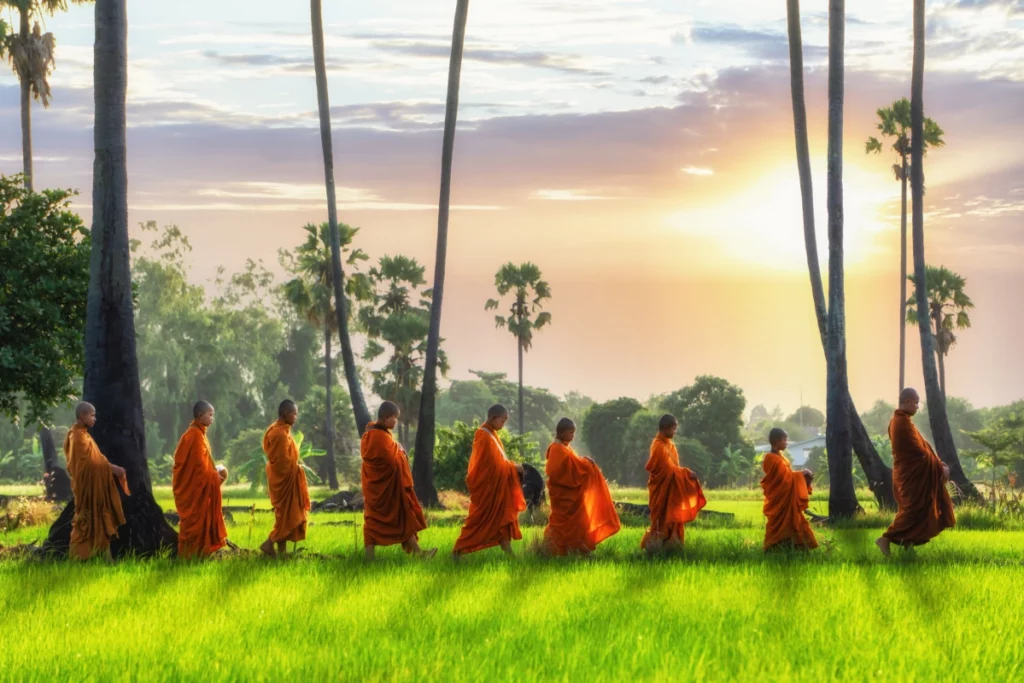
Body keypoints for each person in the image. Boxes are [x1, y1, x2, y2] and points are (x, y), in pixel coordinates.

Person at [876, 388, 956, 557]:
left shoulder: (901, 421)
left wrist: (937, 463)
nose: (918, 407)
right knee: (913, 510)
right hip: (911, 475)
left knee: (919, 509)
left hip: (911, 474)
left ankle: (908, 544)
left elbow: (922, 449)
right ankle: (885, 538)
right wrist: (940, 467)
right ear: (907, 402)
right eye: (916, 402)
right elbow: (918, 452)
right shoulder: (901, 423)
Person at [361, 402, 436, 560]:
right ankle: (369, 557)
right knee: (380, 520)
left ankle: (418, 552)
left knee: (401, 517)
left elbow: (389, 453)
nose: (396, 422)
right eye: (395, 418)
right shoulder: (378, 436)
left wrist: (398, 448)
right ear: (387, 417)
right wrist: (400, 451)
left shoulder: (370, 433)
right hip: (384, 487)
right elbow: (389, 459)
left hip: (380, 487)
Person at [452, 404, 527, 558]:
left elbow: (500, 461)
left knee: (503, 519)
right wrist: (513, 468)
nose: (503, 424)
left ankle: (509, 553)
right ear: (493, 418)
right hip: (488, 488)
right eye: (502, 420)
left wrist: (512, 466)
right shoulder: (483, 435)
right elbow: (488, 464)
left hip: (497, 488)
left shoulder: (492, 435)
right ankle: (457, 552)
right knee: (478, 522)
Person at [543, 418, 621, 556]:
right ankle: (551, 551)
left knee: (580, 522)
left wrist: (583, 461)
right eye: (571, 432)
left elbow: (573, 464)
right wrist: (585, 464)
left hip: (572, 496)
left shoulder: (565, 447)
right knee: (561, 524)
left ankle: (577, 550)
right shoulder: (556, 449)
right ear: (561, 432)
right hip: (563, 496)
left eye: (574, 433)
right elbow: (554, 473)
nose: (573, 436)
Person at [65, 401, 129, 561]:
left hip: (96, 488)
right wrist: (111, 468)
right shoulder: (77, 437)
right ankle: (78, 557)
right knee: (85, 521)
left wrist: (112, 467)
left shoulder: (85, 435)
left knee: (100, 518)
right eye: (92, 415)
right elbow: (83, 466)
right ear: (82, 416)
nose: (95, 419)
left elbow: (97, 459)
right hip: (87, 489)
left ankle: (103, 557)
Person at [640, 414, 706, 553]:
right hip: (661, 490)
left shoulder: (670, 445)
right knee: (661, 520)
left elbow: (674, 467)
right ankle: (654, 550)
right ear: (665, 428)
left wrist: (684, 474)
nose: (675, 432)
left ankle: (672, 550)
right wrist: (687, 473)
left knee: (673, 518)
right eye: (674, 429)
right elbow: (666, 470)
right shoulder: (658, 446)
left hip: (671, 488)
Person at [172, 401, 228, 559]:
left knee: (202, 520)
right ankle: (187, 557)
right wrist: (212, 476)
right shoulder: (194, 436)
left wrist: (214, 473)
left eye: (213, 415)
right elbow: (196, 468)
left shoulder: (199, 434)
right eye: (210, 415)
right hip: (192, 489)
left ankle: (200, 556)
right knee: (192, 524)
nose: (212, 419)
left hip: (200, 486)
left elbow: (203, 464)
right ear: (199, 415)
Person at [260, 400, 310, 558]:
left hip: (284, 479)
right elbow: (282, 463)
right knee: (287, 517)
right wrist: (297, 469)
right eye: (294, 413)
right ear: (286, 414)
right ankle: (269, 542)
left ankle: (282, 552)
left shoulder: (278, 429)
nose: (296, 416)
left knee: (284, 516)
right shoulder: (279, 434)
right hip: (283, 479)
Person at [760, 427, 818, 552]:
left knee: (795, 521)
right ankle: (773, 550)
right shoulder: (770, 458)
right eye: (785, 440)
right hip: (779, 499)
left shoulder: (782, 458)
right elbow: (782, 479)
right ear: (777, 441)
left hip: (787, 500)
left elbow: (788, 475)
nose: (787, 442)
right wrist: (802, 473)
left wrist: (802, 475)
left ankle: (796, 549)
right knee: (780, 525)